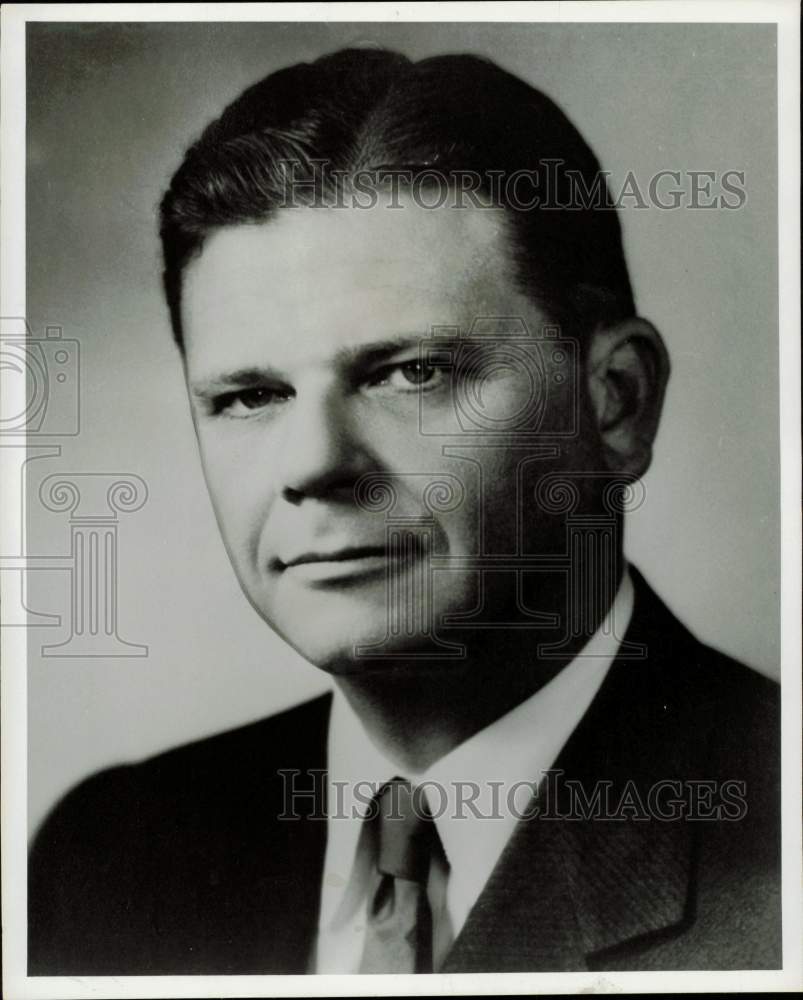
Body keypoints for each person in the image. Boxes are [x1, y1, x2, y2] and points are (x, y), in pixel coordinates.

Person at [28, 47, 780, 975]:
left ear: (613, 401)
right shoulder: (108, 858)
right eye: (248, 397)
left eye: (410, 374)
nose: (312, 465)